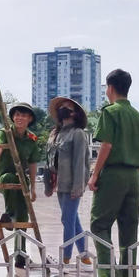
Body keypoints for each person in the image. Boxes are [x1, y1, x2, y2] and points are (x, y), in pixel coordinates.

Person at [88, 69, 139, 277]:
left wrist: (95, 174)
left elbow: (106, 145)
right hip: (134, 176)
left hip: (113, 174)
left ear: (110, 88)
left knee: (99, 225)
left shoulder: (110, 112)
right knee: (129, 232)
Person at [0, 102, 41, 267]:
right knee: (10, 178)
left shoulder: (32, 139)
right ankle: (9, 213)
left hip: (22, 181)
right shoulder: (5, 133)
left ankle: (20, 255)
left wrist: (33, 188)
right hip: (4, 178)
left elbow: (33, 163)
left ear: (29, 119)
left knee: (23, 218)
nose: (19, 118)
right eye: (17, 115)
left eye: (23, 115)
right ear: (13, 117)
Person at [46, 96, 92, 265]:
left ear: (75, 113)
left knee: (67, 220)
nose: (63, 109)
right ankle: (85, 256)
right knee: (72, 220)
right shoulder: (55, 134)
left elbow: (81, 162)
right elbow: (49, 160)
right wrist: (48, 184)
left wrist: (78, 187)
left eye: (67, 107)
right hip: (59, 183)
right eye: (61, 107)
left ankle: (65, 258)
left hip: (72, 184)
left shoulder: (78, 133)